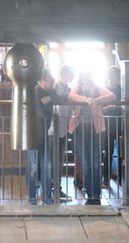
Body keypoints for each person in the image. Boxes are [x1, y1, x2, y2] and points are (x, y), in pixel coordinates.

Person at [69, 71, 114, 204]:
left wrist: (97, 100)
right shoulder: (78, 89)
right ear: (81, 79)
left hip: (96, 131)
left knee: (95, 164)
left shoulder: (97, 89)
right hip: (81, 130)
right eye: (84, 77)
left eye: (88, 76)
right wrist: (87, 100)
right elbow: (71, 96)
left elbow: (112, 95)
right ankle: (90, 194)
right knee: (86, 164)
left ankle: (97, 195)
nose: (86, 79)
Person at [27, 68, 69, 205]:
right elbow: (42, 113)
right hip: (32, 134)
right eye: (51, 78)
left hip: (44, 133)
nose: (53, 81)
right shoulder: (34, 91)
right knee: (33, 167)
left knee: (47, 166)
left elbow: (64, 96)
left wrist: (50, 99)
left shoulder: (50, 92)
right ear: (44, 78)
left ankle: (47, 198)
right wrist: (50, 100)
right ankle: (32, 198)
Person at [48, 65, 74, 201]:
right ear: (64, 73)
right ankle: (52, 190)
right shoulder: (54, 87)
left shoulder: (69, 89)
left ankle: (57, 189)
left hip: (63, 129)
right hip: (53, 129)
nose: (73, 77)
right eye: (71, 73)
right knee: (53, 162)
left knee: (59, 162)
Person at [103, 66, 122, 186]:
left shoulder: (121, 89)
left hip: (121, 123)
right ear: (110, 76)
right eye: (116, 75)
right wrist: (110, 108)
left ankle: (121, 176)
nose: (118, 77)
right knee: (108, 151)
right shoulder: (104, 90)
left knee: (121, 150)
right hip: (108, 124)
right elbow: (100, 108)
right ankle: (106, 178)